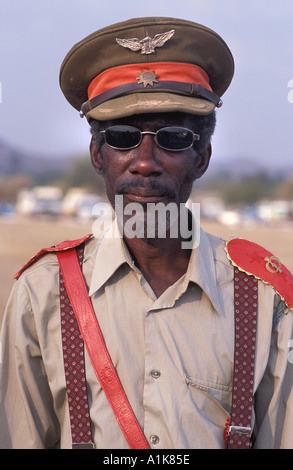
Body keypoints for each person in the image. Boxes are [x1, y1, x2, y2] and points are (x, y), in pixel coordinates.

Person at [1, 16, 293, 450]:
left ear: (202, 158)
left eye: (173, 138)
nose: (144, 161)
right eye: (121, 137)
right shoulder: (42, 293)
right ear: (97, 156)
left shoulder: (263, 297)